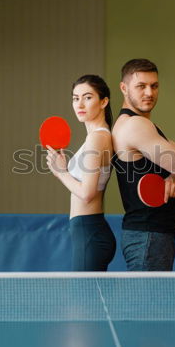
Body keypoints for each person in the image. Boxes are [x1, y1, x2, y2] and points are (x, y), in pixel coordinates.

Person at [112, 58, 175, 271]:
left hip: (152, 235)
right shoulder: (136, 125)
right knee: (148, 303)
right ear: (124, 88)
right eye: (141, 86)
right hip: (148, 237)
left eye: (154, 85)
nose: (149, 92)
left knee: (153, 303)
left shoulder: (146, 125)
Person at [46, 75, 116, 271]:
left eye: (87, 97)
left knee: (84, 301)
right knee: (90, 300)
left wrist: (62, 173)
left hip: (89, 231)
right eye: (75, 98)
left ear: (104, 101)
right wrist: (64, 170)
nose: (80, 104)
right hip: (88, 231)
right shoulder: (96, 137)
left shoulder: (97, 138)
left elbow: (87, 193)